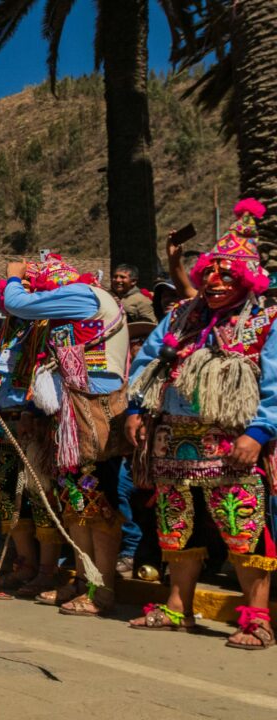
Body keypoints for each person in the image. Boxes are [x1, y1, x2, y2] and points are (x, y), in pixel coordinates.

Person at [126, 199, 275, 648]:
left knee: (241, 527)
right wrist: (135, 409)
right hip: (172, 440)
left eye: (226, 276)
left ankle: (257, 618)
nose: (213, 283)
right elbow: (148, 363)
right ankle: (178, 607)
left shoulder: (268, 320)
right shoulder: (181, 317)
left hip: (233, 442)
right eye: (209, 274)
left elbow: (276, 382)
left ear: (246, 280)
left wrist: (259, 431)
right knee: (175, 525)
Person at [0, 253, 129, 615]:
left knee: (96, 502)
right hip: (74, 412)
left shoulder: (83, 296)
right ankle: (86, 578)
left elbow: (17, 303)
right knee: (75, 502)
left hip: (94, 412)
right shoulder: (73, 305)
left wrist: (13, 278)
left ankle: (102, 589)